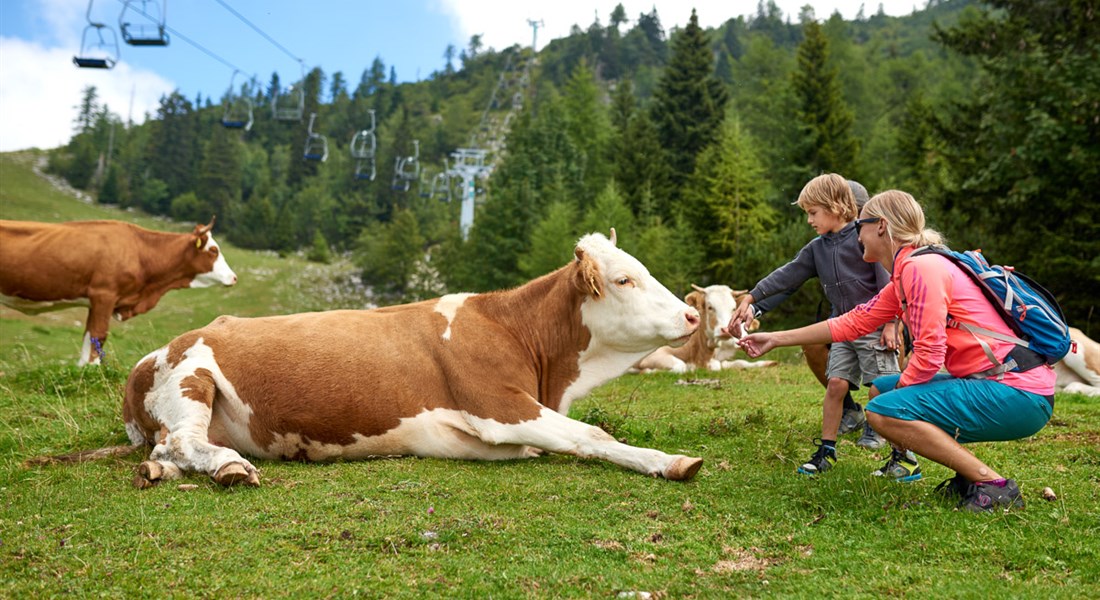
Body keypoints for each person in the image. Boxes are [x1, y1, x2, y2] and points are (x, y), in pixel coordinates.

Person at [736, 190, 1055, 512]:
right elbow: (854, 322)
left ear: (881, 226)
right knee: (881, 388)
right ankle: (968, 477)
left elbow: (930, 353)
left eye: (860, 224)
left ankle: (994, 486)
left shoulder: (922, 269)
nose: (856, 234)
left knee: (884, 409)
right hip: (999, 385)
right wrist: (776, 338)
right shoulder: (908, 271)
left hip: (1018, 392)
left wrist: (898, 402)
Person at [727, 174, 900, 477]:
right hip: (842, 327)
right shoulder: (816, 248)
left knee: (881, 389)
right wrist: (753, 296)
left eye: (812, 212)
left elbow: (888, 282)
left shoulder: (864, 239)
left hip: (874, 327)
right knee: (835, 384)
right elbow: (787, 275)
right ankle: (827, 450)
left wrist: (890, 324)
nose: (808, 220)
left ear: (835, 207)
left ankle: (898, 450)